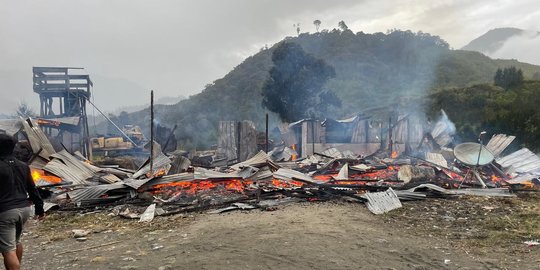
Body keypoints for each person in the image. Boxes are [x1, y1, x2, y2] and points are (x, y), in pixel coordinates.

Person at [0, 134, 44, 270]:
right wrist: (39, 209)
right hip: (24, 210)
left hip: (6, 211)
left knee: (8, 250)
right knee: (16, 241)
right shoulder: (23, 166)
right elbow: (32, 188)